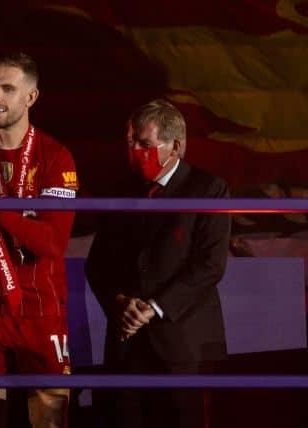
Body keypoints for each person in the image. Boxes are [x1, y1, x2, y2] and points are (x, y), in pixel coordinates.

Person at [85, 99, 231, 428]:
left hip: (181, 343)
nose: (135, 150)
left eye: (145, 144)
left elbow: (210, 264)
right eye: (130, 142)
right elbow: (97, 265)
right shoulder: (118, 190)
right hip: (125, 344)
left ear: (175, 146)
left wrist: (153, 307)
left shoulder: (208, 189)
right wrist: (118, 302)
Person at [0, 52, 79, 428]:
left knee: (48, 422)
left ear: (31, 97)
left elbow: (53, 244)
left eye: (8, 89)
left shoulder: (56, 157)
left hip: (39, 305)